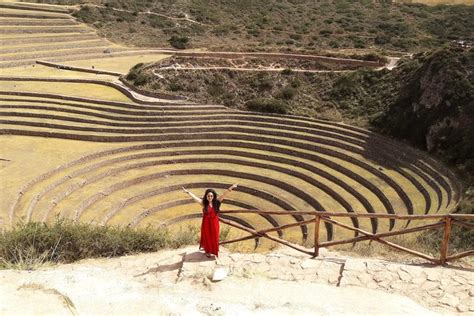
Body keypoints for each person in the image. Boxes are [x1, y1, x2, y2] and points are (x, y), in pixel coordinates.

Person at [183, 184, 238, 258]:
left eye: (211, 196)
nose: (210, 197)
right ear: (206, 196)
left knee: (215, 237)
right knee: (207, 237)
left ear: (213, 196)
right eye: (208, 196)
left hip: (215, 223)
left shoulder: (217, 202)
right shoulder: (204, 203)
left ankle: (214, 250)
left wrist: (231, 188)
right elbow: (195, 198)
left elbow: (224, 194)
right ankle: (208, 251)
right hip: (206, 223)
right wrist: (188, 192)